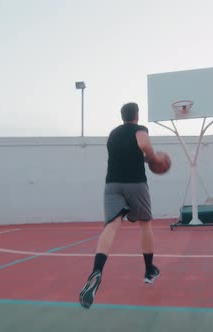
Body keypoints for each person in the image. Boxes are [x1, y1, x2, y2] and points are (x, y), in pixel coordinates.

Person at [79, 102, 164, 309]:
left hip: (112, 185)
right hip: (135, 183)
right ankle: (148, 270)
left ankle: (97, 270)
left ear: (122, 116)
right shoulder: (139, 129)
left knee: (111, 226)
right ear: (136, 115)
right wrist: (153, 158)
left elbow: (126, 152)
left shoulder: (113, 134)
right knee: (145, 223)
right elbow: (143, 144)